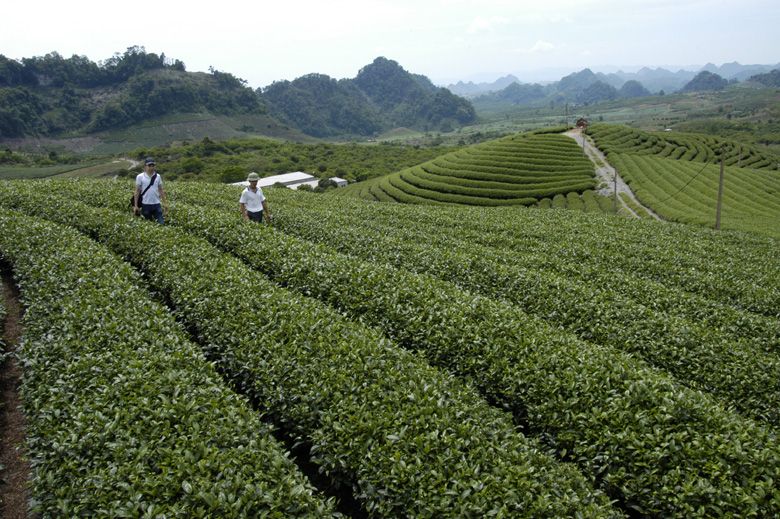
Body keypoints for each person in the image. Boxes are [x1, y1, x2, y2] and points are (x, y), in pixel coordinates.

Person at [134, 157, 168, 224]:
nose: (151, 167)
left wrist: (165, 203)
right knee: (148, 224)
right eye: (149, 165)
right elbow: (137, 191)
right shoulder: (140, 177)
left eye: (153, 165)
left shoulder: (158, 176)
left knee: (161, 223)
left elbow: (161, 190)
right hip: (145, 205)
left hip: (157, 204)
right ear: (145, 167)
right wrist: (136, 205)